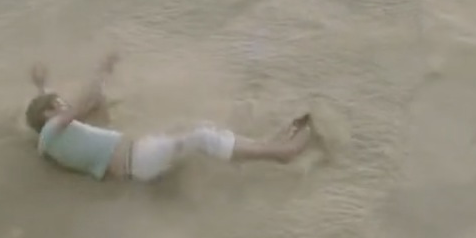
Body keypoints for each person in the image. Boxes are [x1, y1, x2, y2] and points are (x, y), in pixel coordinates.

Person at [23, 53, 315, 183]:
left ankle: (264, 147)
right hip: (139, 159)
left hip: (139, 162)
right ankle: (282, 153)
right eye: (59, 104)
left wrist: (41, 85)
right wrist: (102, 69)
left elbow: (50, 108)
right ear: (48, 114)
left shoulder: (50, 139)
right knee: (200, 137)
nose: (65, 105)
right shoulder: (52, 128)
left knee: (198, 128)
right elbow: (74, 107)